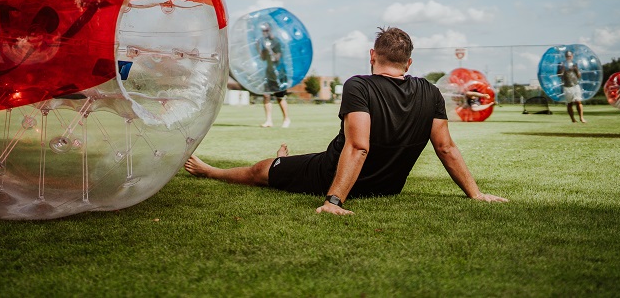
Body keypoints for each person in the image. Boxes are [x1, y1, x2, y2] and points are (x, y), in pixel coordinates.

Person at [185, 26, 508, 215]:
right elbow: (446, 147)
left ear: (372, 55)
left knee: (261, 170)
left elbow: (358, 146)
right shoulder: (430, 91)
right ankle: (285, 163)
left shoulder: (359, 85)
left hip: (334, 175)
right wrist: (475, 194)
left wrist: (334, 200)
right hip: (387, 187)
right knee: (294, 163)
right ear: (409, 63)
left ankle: (209, 171)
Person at [256, 22, 291, 128]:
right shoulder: (263, 42)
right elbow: (263, 58)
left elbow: (277, 58)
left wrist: (269, 49)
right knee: (266, 95)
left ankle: (286, 119)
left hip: (279, 73)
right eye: (263, 31)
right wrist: (259, 48)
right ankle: (268, 121)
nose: (264, 32)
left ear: (270, 30)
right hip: (269, 72)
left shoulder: (276, 41)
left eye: (266, 30)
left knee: (280, 97)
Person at [557, 51, 586, 123]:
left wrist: (576, 69)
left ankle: (581, 117)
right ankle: (573, 119)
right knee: (570, 103)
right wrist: (563, 69)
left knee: (578, 101)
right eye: (567, 56)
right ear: (565, 57)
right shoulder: (561, 64)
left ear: (572, 56)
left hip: (575, 85)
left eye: (570, 56)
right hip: (567, 86)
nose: (569, 57)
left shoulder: (575, 64)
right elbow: (558, 74)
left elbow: (579, 76)